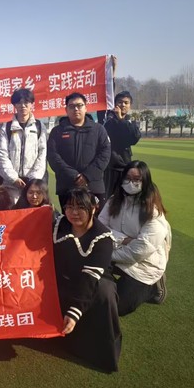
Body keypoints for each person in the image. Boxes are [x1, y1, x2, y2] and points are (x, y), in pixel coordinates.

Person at [53, 188, 121, 372]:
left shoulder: (103, 237)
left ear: (93, 208)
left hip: (94, 280)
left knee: (104, 294)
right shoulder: (59, 224)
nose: (74, 212)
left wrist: (74, 312)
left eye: (81, 207)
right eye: (70, 207)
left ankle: (100, 352)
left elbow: (90, 278)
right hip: (65, 277)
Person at [98, 160, 171, 316]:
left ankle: (155, 286)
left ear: (145, 181)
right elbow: (100, 228)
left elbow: (139, 251)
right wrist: (124, 239)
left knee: (116, 307)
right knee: (93, 280)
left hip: (144, 265)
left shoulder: (153, 211)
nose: (131, 183)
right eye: (128, 178)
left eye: (137, 179)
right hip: (118, 253)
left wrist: (108, 253)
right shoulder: (114, 201)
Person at [47, 92, 111, 207]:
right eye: (71, 106)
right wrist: (74, 176)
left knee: (95, 217)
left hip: (93, 186)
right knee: (70, 216)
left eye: (79, 105)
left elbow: (105, 154)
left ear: (86, 108)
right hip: (67, 186)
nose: (76, 109)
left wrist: (87, 176)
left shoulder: (98, 130)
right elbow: (53, 156)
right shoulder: (57, 131)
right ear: (66, 110)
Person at [0, 88, 48, 204]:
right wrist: (13, 178)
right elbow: (2, 155)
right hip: (11, 185)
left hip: (33, 186)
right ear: (14, 105)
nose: (23, 106)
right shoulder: (7, 127)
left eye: (26, 102)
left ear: (32, 104)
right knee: (12, 213)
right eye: (19, 102)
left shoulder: (39, 126)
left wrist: (33, 179)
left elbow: (42, 154)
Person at [103, 91, 141, 198]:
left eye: (126, 103)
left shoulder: (130, 122)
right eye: (120, 102)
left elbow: (134, 138)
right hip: (111, 167)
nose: (123, 105)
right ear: (115, 104)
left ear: (130, 106)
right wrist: (118, 119)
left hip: (125, 165)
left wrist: (121, 119)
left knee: (126, 197)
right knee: (110, 198)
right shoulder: (109, 123)